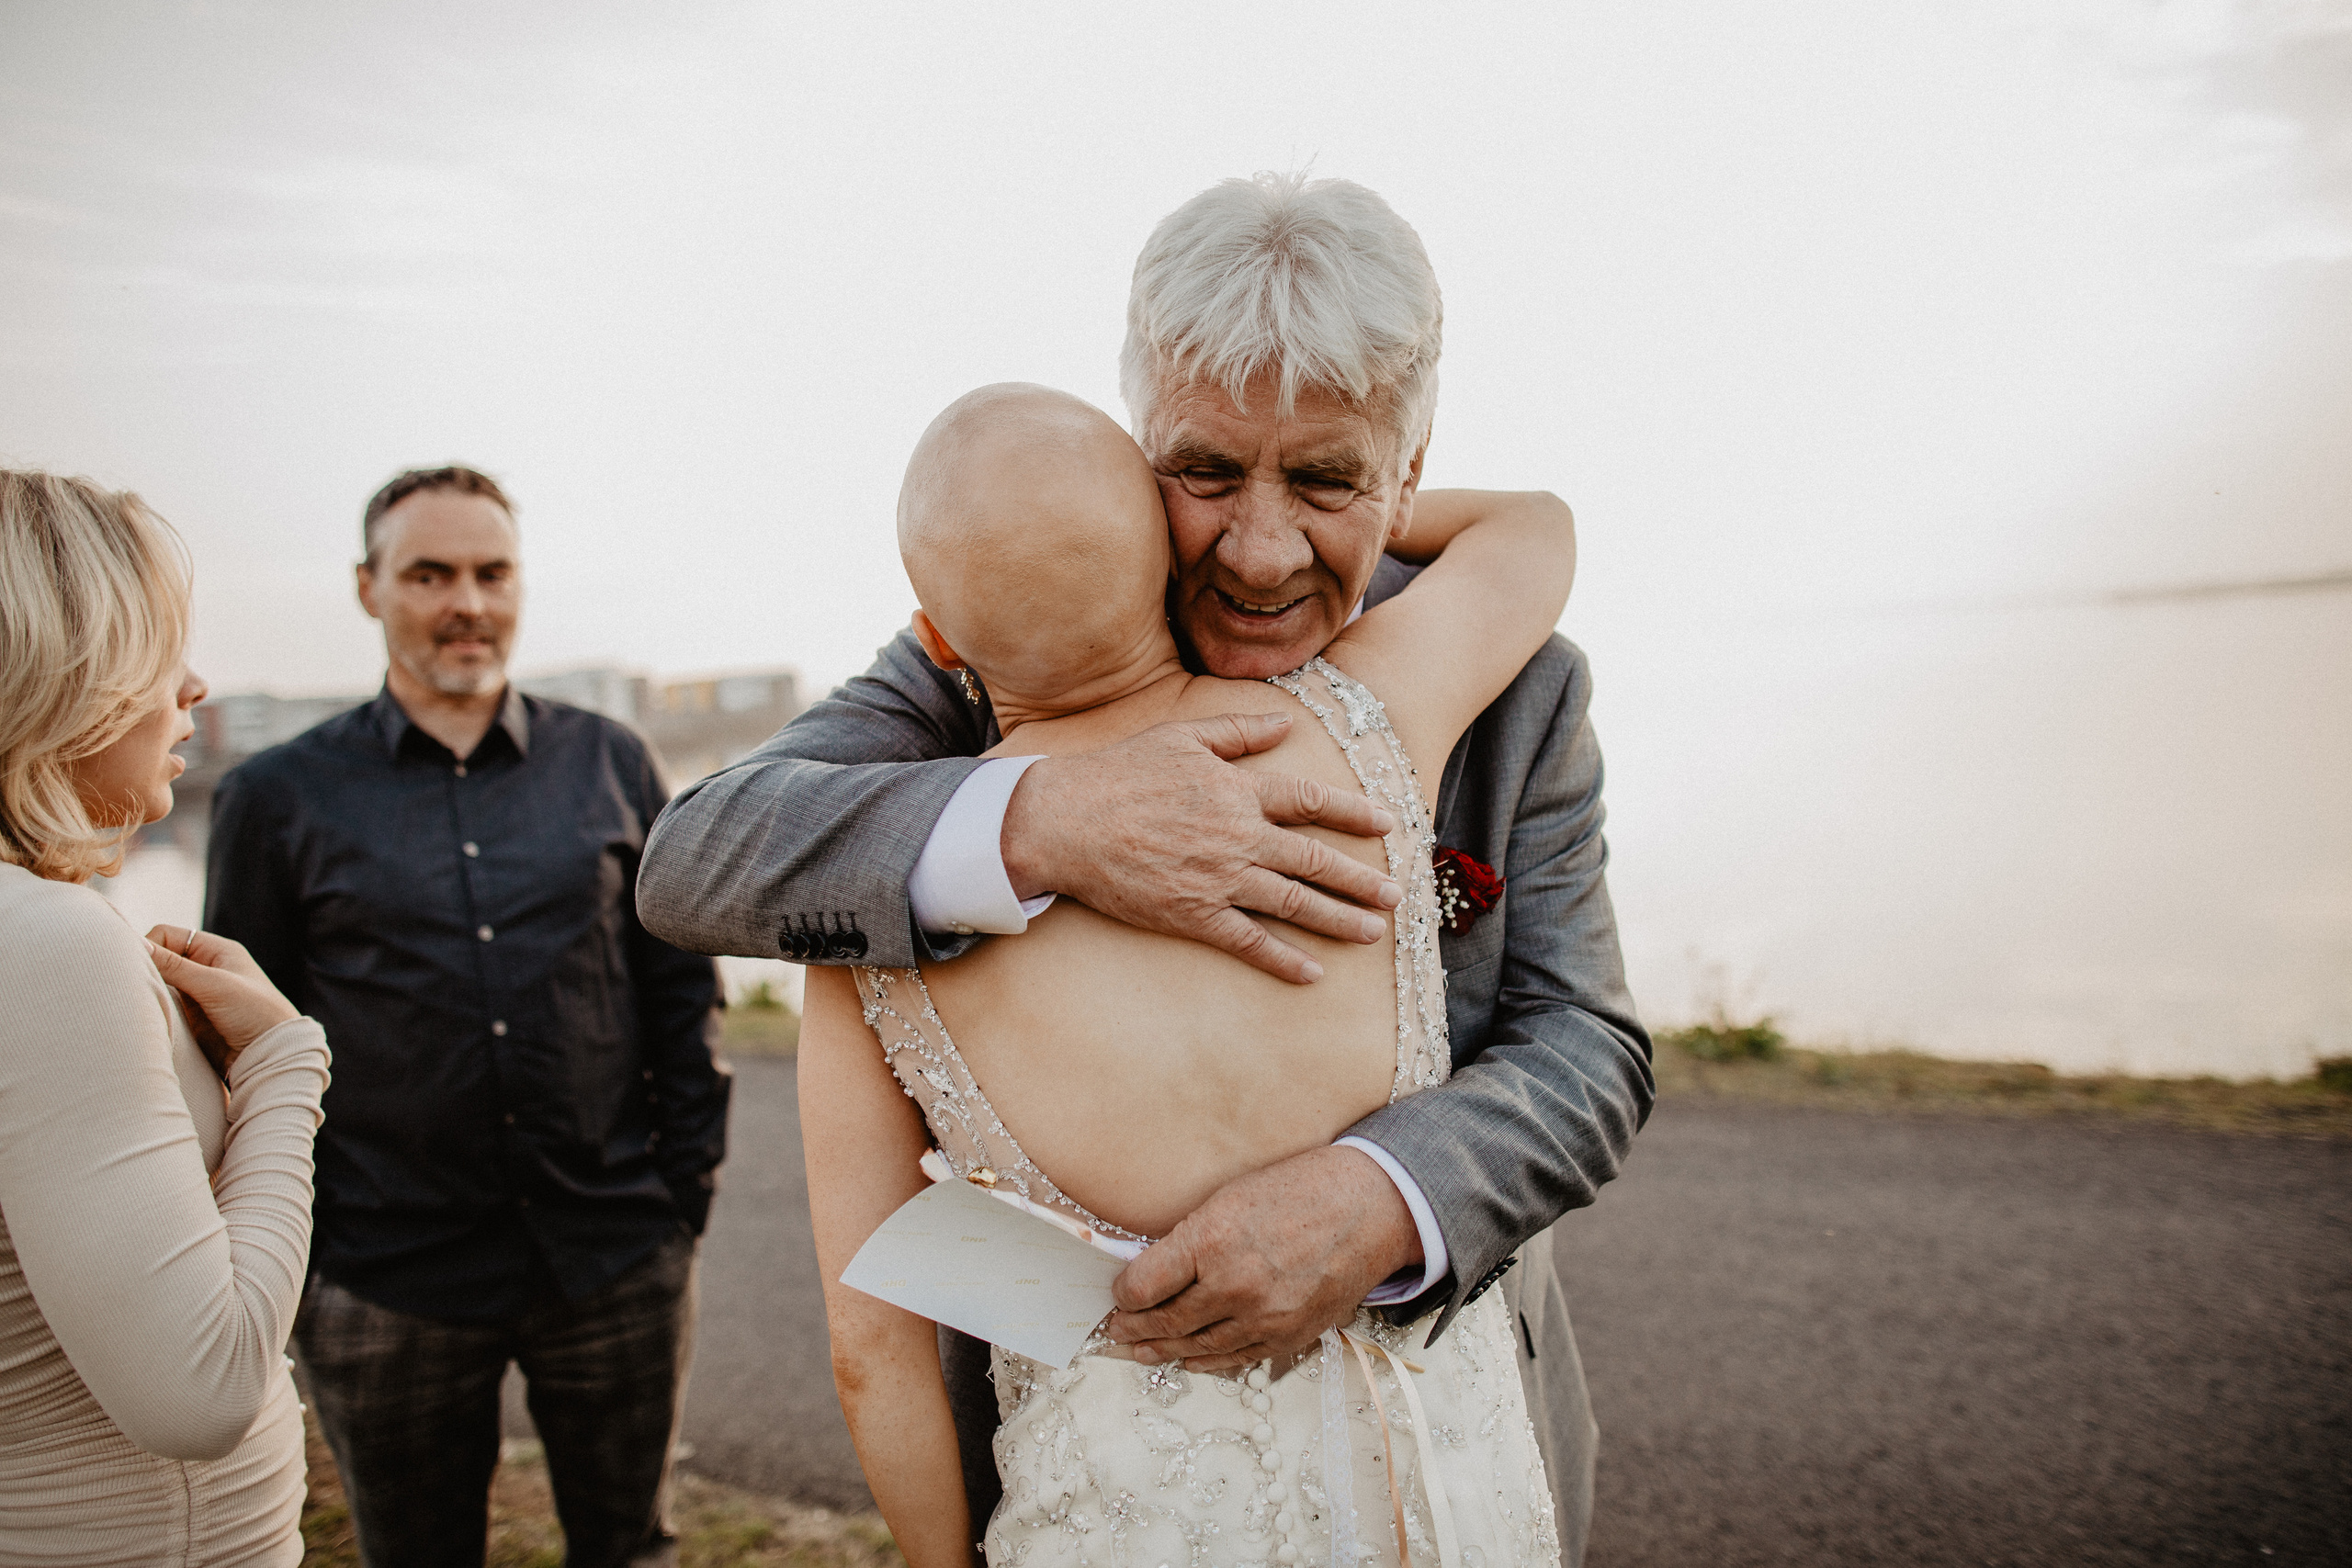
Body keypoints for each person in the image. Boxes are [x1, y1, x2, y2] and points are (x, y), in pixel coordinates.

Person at [639, 173, 1652, 1562]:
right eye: (1206, 470)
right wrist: (1044, 822)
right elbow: (697, 856)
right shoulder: (956, 659)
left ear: (1412, 476)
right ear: (1134, 450)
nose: (1260, 551)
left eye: (1328, 478)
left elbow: (1587, 1045)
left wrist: (1376, 1199)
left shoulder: (1511, 683)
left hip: (1458, 1437)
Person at [805, 383, 1575, 1568]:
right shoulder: (1364, 722)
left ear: (941, 640)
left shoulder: (882, 919)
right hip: (1440, 1487)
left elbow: (876, 1348)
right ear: (1165, 553)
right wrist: (1358, 504)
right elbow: (1534, 529)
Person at [204, 466, 731, 1568]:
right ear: (368, 589)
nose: (467, 603)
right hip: (385, 1278)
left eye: (491, 573)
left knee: (631, 1550)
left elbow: (678, 989)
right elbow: (240, 1043)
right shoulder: (277, 797)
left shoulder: (611, 761)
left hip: (613, 1252)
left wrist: (680, 1192)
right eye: (430, 574)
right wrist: (306, 1255)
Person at [0, 469, 331, 1566]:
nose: (191, 687)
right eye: (157, 649)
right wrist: (285, 1065)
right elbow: (202, 1392)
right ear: (62, 671)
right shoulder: (47, 943)